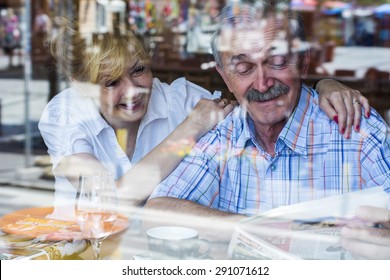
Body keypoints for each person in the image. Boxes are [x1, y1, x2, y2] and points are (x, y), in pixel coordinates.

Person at [39, 16, 366, 220]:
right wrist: (190, 128)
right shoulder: (65, 113)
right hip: (80, 251)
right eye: (111, 83)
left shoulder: (179, 97)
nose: (132, 91)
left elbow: (255, 101)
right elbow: (107, 201)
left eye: (138, 71)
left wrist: (324, 85)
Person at [145, 1, 390, 258]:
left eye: (277, 61)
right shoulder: (224, 132)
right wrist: (261, 230)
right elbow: (157, 213)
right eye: (244, 68)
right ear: (226, 77)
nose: (262, 84)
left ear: (303, 62)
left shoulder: (357, 130)